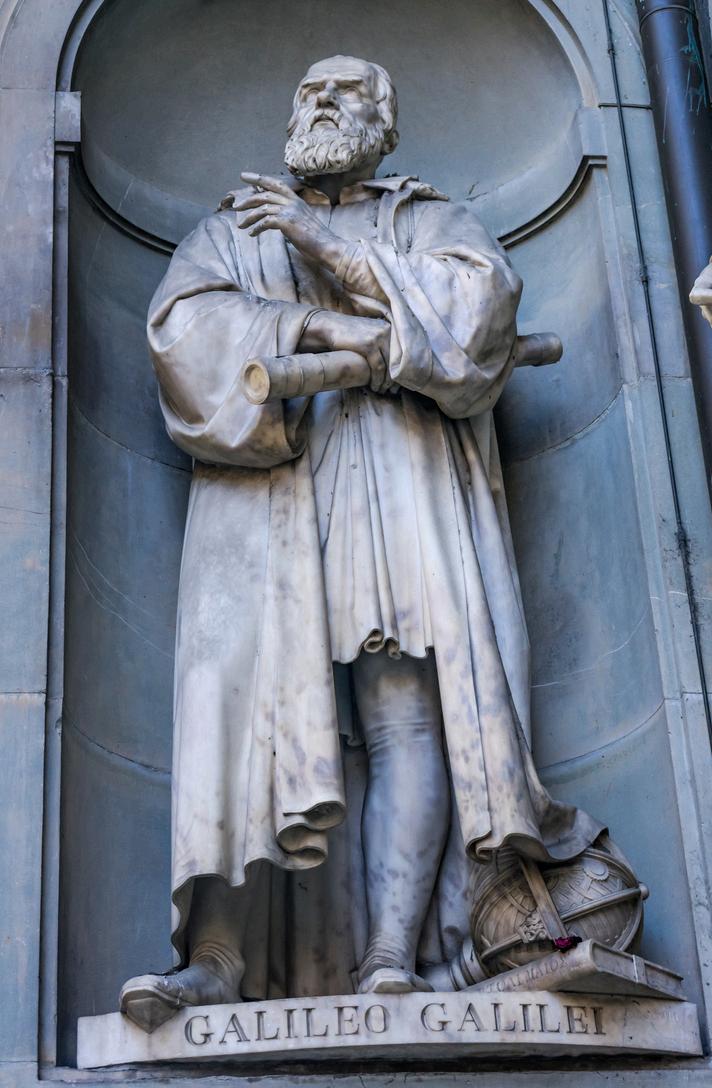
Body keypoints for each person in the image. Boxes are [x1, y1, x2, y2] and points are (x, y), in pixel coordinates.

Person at [120, 55, 602, 1032]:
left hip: (394, 473)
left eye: (347, 90)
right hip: (263, 490)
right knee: (239, 714)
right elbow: (183, 337)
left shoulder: (428, 221)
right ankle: (215, 958)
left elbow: (478, 314)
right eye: (310, 90)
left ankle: (393, 953)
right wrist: (323, 330)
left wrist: (322, 247)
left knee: (405, 709)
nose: (323, 101)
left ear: (386, 124)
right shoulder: (232, 229)